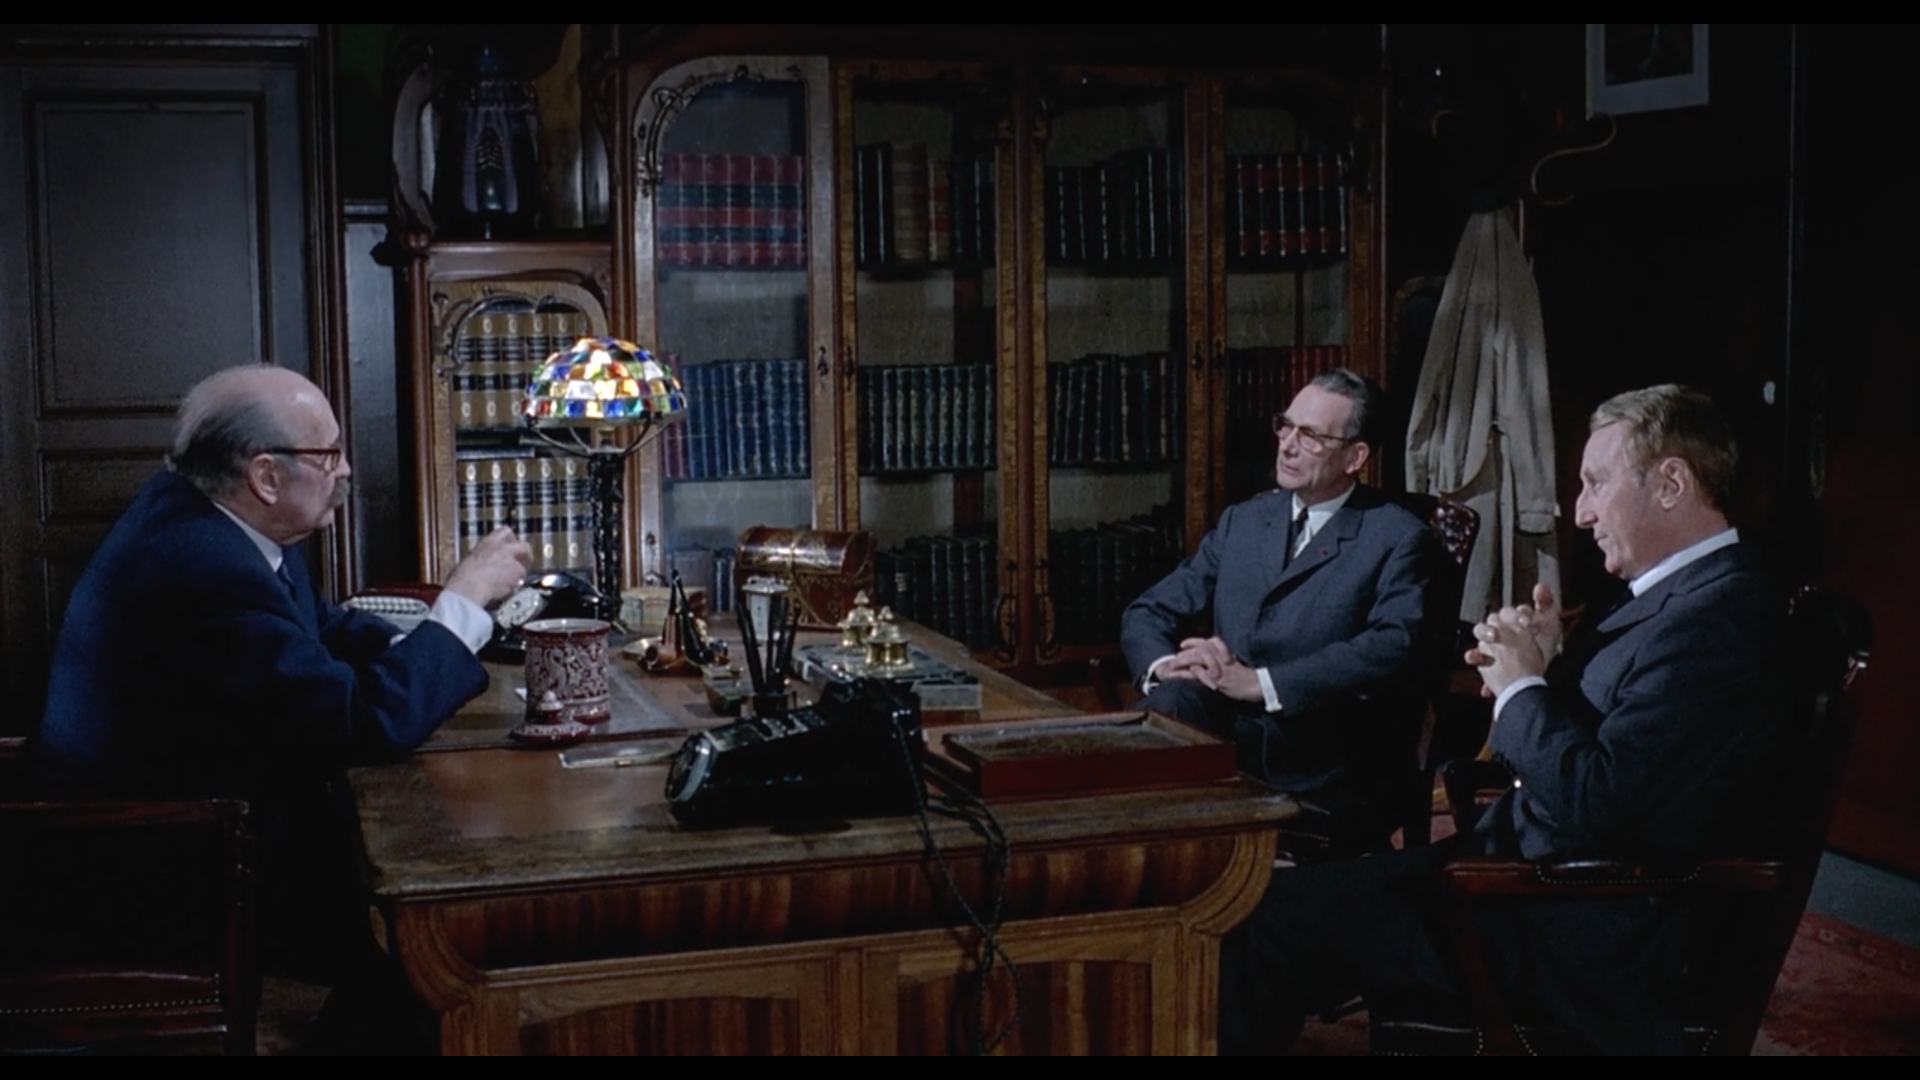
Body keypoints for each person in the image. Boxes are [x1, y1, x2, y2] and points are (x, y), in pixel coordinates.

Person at [1218, 384, 1787, 1055]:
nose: (1582, 513)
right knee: (1262, 906)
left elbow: (1599, 802)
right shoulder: (1682, 598)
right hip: (1523, 885)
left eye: (1596, 484)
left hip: (1562, 930)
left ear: (1671, 484)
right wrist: (1545, 666)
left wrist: (1521, 687)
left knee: (1263, 921)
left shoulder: (1714, 622)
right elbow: (1619, 758)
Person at [38, 364, 531, 980]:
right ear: (266, 476)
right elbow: (364, 722)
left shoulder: (214, 517)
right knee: (446, 911)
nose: (345, 470)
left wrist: (428, 645)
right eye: (329, 454)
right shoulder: (204, 568)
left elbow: (320, 628)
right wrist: (463, 601)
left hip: (206, 829)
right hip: (159, 875)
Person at [1121, 369, 1440, 825]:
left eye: (1310, 436)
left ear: (1355, 457)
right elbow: (1149, 611)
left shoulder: (1397, 536)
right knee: (1166, 711)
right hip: (1221, 727)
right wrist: (1168, 666)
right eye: (1286, 426)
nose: (1287, 446)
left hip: (1317, 751)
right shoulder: (1245, 520)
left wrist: (1262, 683)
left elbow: (1395, 644)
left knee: (1160, 746)